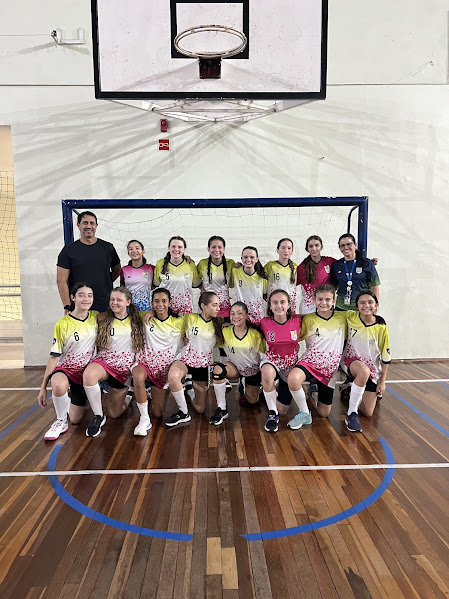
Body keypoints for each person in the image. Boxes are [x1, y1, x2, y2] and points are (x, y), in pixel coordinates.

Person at [37, 283, 98, 440]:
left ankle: (69, 399)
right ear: (73, 297)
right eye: (81, 295)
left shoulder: (96, 317)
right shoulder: (63, 324)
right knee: (58, 384)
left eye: (89, 295)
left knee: (76, 419)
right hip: (66, 369)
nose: (86, 299)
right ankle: (60, 421)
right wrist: (43, 387)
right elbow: (54, 357)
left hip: (85, 373)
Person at [83, 286, 144, 438]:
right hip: (104, 363)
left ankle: (128, 394)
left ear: (128, 302)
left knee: (114, 413)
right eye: (112, 299)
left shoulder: (137, 320)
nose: (114, 303)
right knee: (89, 375)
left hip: (123, 371)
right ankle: (98, 416)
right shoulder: (102, 318)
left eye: (119, 300)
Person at [287, 285, 347, 428]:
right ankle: (304, 412)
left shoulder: (343, 318)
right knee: (293, 379)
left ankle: (314, 393)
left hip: (329, 370)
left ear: (334, 301)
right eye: (320, 299)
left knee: (323, 413)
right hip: (310, 363)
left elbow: (363, 316)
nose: (323, 303)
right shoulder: (309, 319)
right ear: (314, 300)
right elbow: (295, 337)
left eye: (328, 299)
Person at [131, 288, 186, 436]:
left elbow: (188, 341)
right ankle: (143, 419)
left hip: (163, 369)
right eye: (156, 301)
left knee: (158, 412)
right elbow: (126, 311)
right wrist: (151, 312)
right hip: (145, 363)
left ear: (170, 303)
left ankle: (152, 391)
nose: (160, 304)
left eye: (163, 301)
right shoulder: (144, 316)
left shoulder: (179, 322)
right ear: (152, 303)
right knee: (137, 376)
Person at [165, 292, 223, 427]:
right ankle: (183, 412)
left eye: (218, 305)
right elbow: (168, 314)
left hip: (203, 366)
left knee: (200, 408)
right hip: (185, 359)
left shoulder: (219, 324)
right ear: (203, 306)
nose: (218, 308)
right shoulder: (189, 318)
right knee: (173, 377)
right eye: (214, 305)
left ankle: (189, 388)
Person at [341, 291, 391, 432]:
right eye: (362, 302)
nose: (366, 305)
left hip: (372, 371)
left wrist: (382, 381)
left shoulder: (381, 327)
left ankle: (353, 389)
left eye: (370, 302)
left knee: (368, 412)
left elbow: (385, 357)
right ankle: (351, 414)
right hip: (350, 362)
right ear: (357, 306)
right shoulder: (350, 317)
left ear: (376, 306)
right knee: (363, 371)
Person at [210, 301, 266, 426]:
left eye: (240, 313)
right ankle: (221, 408)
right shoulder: (225, 331)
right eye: (233, 314)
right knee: (218, 370)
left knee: (252, 402)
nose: (236, 317)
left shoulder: (255, 334)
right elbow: (209, 340)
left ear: (247, 315)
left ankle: (246, 384)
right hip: (234, 368)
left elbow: (266, 352)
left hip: (252, 371)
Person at [57, 211, 121, 313]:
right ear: (78, 225)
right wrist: (67, 306)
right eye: (85, 223)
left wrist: (104, 283)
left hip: (104, 304)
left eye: (92, 223)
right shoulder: (68, 250)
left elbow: (117, 271)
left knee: (104, 329)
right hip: (79, 306)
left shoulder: (108, 248)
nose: (89, 226)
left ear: (96, 226)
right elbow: (61, 280)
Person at [259, 290, 302, 433]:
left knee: (282, 410)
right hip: (272, 362)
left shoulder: (298, 321)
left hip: (289, 368)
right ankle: (272, 414)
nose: (279, 306)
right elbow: (243, 325)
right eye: (275, 302)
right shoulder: (264, 322)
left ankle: (270, 391)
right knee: (266, 371)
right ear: (270, 306)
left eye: (282, 302)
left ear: (289, 305)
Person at [330, 233, 380, 311]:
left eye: (349, 244)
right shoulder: (336, 265)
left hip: (361, 308)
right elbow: (334, 287)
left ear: (355, 245)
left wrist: (374, 306)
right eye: (342, 245)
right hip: (340, 308)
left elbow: (374, 286)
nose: (345, 247)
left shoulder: (367, 263)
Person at [153, 236, 200, 314]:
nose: (176, 249)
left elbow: (196, 284)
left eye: (180, 247)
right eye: (173, 246)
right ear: (169, 248)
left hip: (185, 309)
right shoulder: (160, 264)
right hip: (165, 308)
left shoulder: (190, 264)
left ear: (184, 249)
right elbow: (156, 284)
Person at [197, 236, 235, 319]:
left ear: (224, 249)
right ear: (208, 249)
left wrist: (241, 266)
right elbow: (195, 282)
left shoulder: (230, 263)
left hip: (224, 307)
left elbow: (232, 284)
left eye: (220, 247)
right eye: (213, 247)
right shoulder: (202, 263)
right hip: (207, 306)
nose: (217, 250)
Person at [296, 235, 336, 314]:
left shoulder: (330, 262)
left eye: (317, 245)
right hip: (308, 306)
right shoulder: (302, 267)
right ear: (307, 249)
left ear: (321, 247)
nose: (314, 249)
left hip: (325, 303)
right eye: (311, 246)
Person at [230, 246, 268, 325]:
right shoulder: (235, 272)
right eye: (245, 257)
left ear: (257, 259)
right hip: (240, 316)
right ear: (241, 258)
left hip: (257, 317)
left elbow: (265, 295)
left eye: (252, 257)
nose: (248, 260)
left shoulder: (262, 276)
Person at [265, 238, 298, 312]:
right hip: (275, 304)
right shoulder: (270, 266)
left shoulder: (295, 267)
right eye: (283, 248)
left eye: (289, 248)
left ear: (292, 251)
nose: (286, 250)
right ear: (277, 250)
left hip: (289, 305)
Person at [120, 239, 154, 311]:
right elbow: (122, 289)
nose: (134, 251)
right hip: (129, 308)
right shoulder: (124, 269)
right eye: (131, 249)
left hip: (147, 308)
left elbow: (156, 286)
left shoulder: (151, 268)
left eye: (137, 248)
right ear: (128, 253)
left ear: (143, 251)